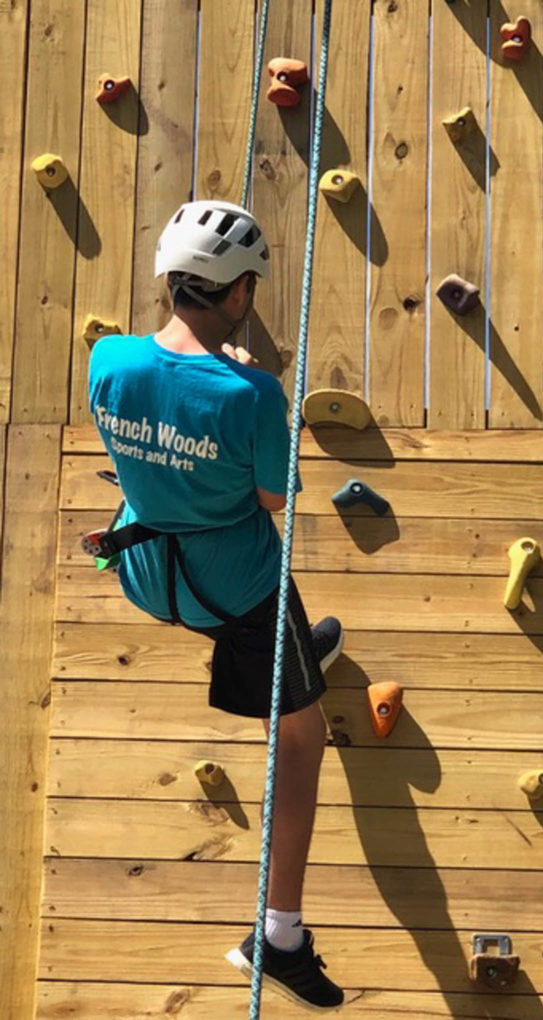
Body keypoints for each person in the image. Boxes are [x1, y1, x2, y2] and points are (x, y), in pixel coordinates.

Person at [87, 200, 345, 1011]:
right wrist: (242, 387)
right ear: (239, 296)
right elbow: (271, 497)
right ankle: (278, 937)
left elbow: (152, 426)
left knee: (291, 652)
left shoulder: (109, 360)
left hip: (146, 571)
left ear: (166, 280)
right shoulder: (254, 393)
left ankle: (306, 654)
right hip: (236, 593)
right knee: (301, 736)